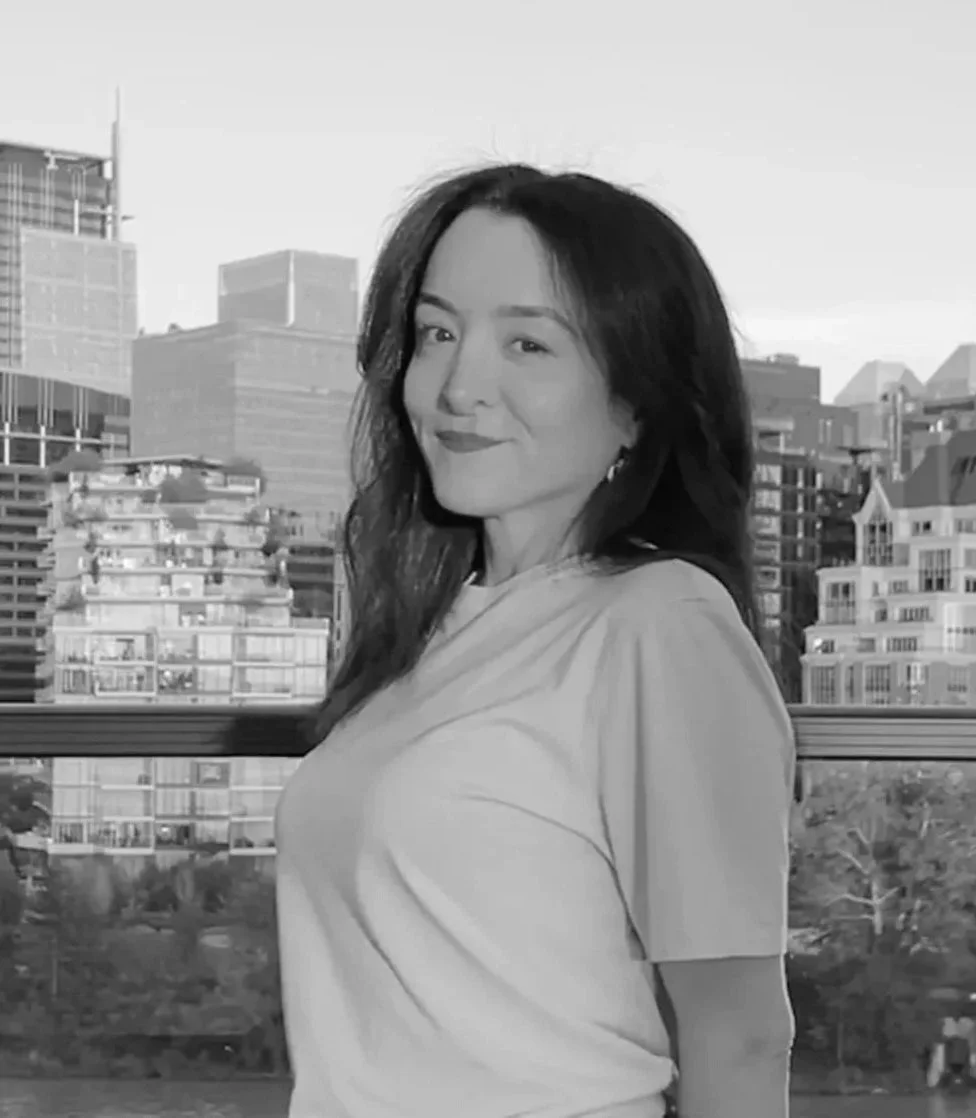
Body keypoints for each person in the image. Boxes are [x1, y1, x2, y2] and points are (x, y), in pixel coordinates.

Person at [275, 164, 796, 1117]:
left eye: (528, 343)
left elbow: (741, 1035)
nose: (460, 385)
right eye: (438, 333)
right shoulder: (428, 639)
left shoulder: (660, 625)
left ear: (636, 406)